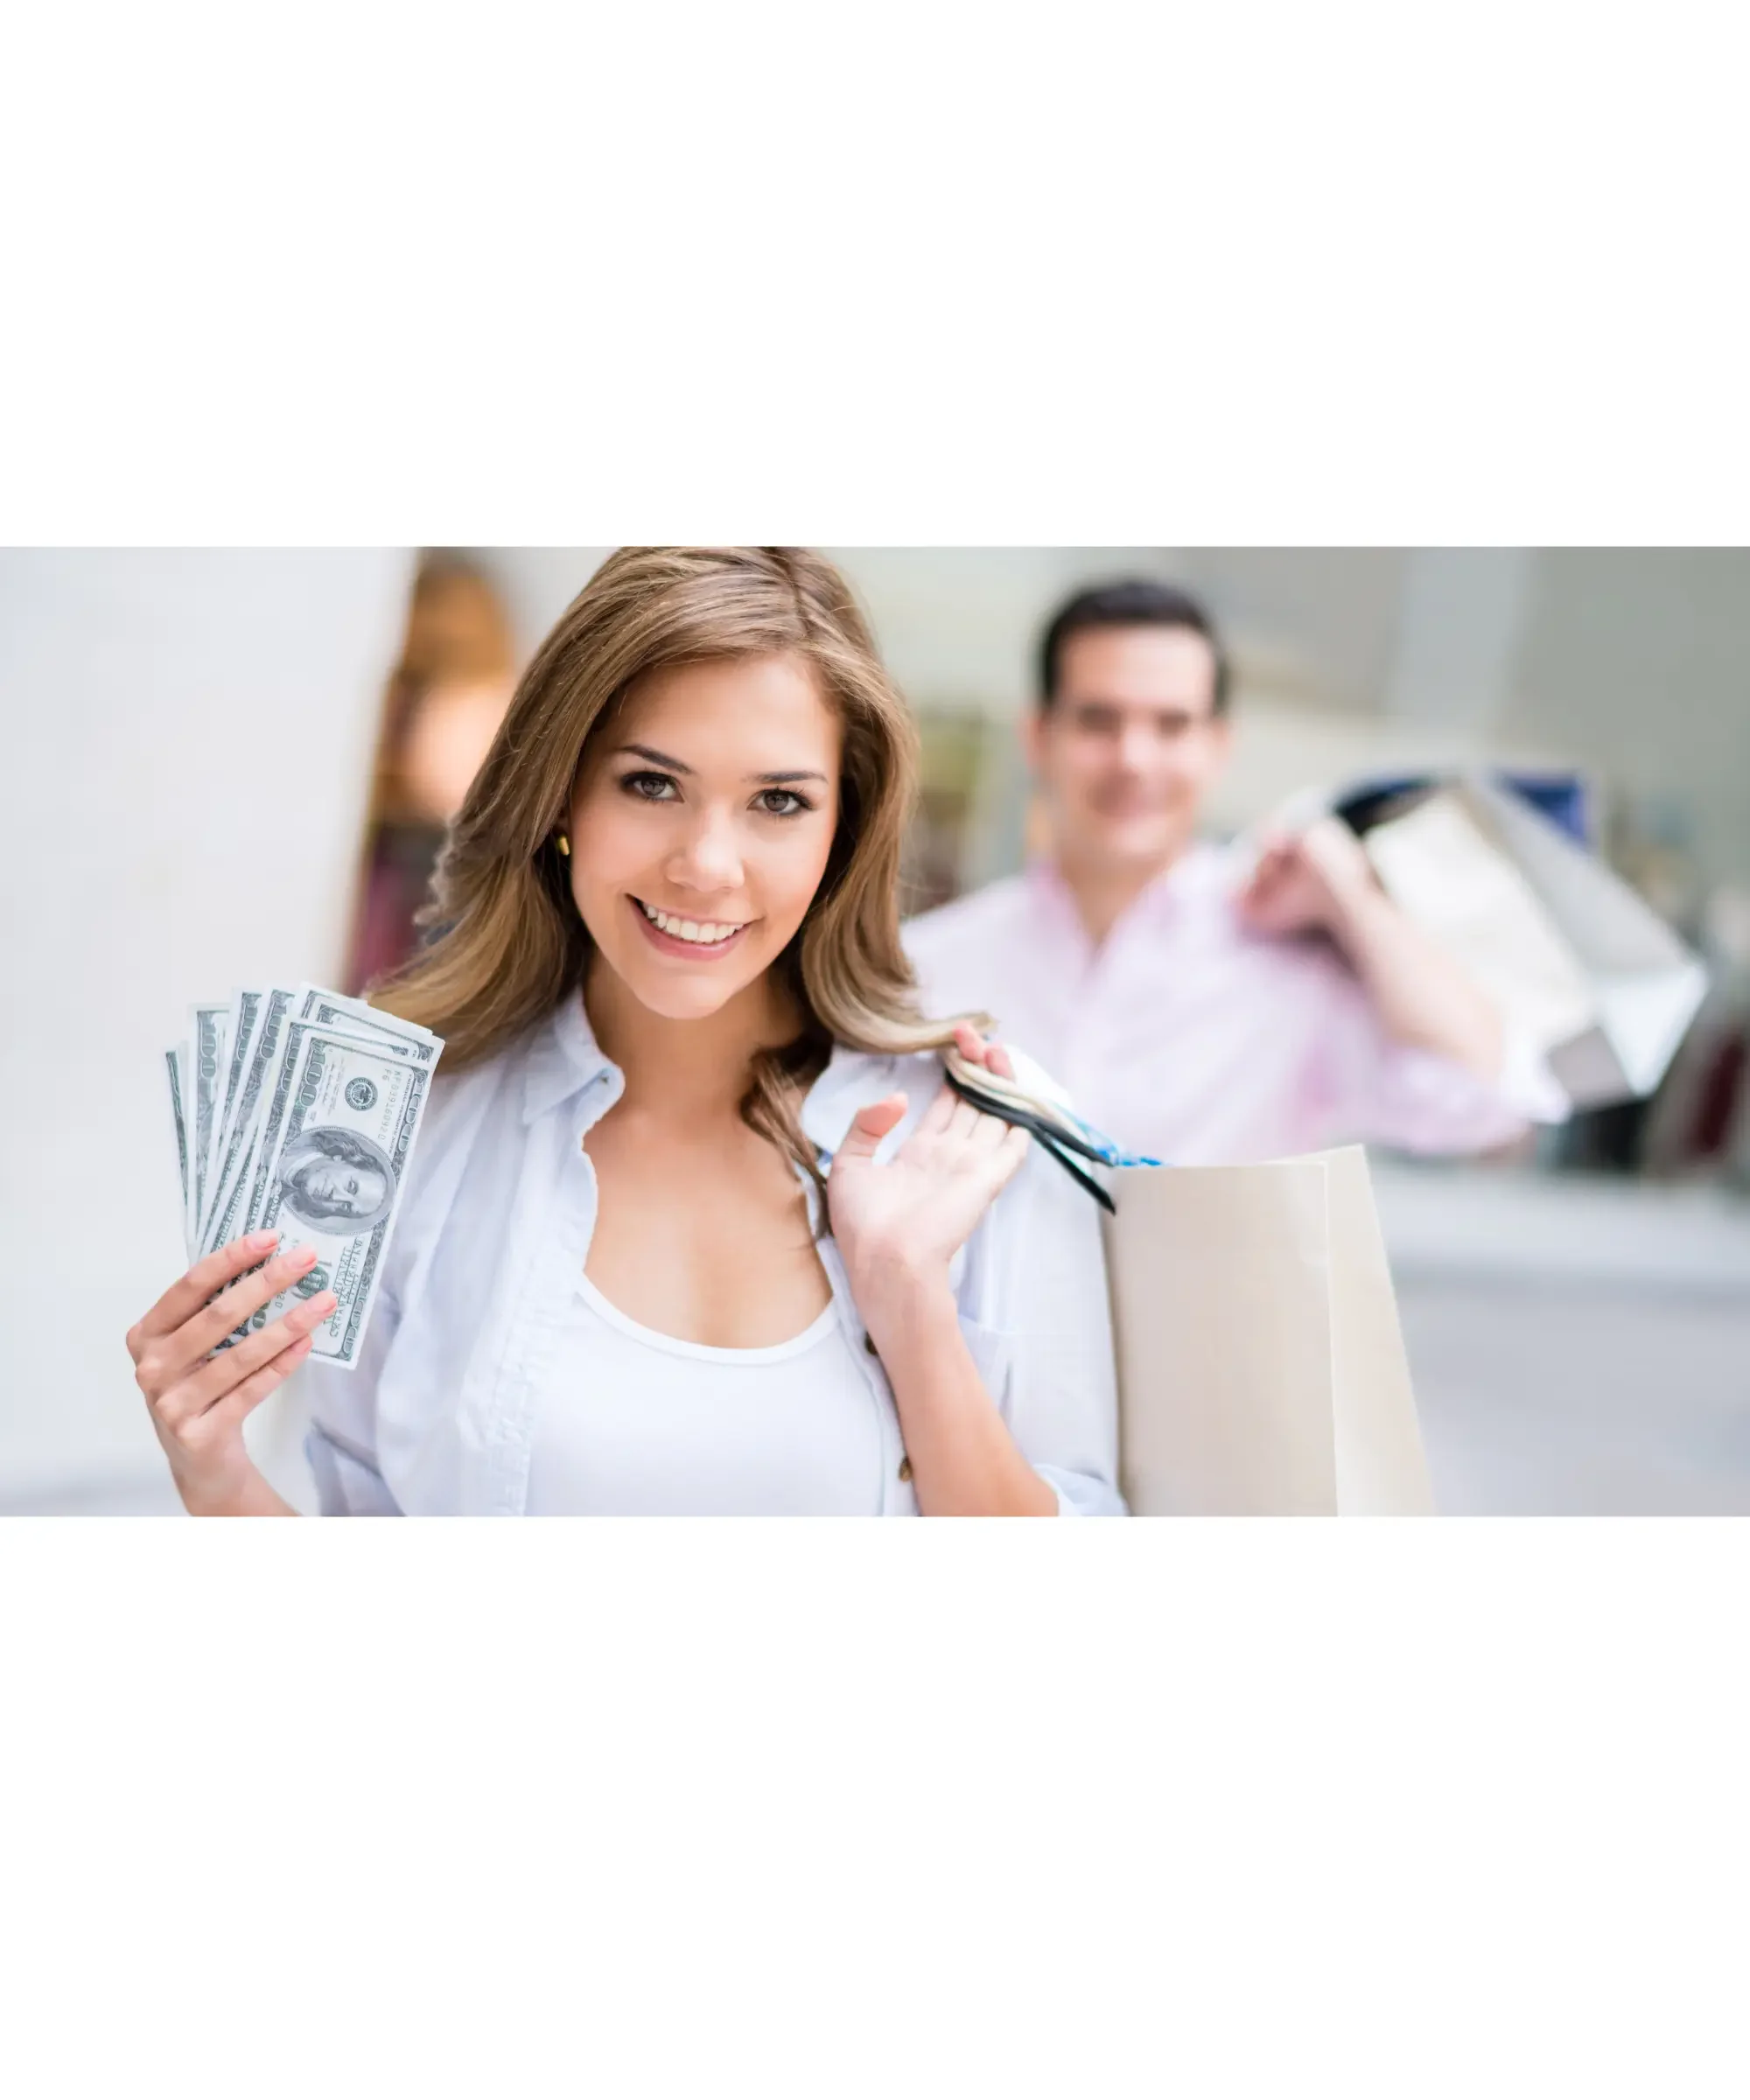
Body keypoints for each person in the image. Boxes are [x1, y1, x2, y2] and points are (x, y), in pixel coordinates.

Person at [124, 548, 1123, 1518]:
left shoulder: (979, 1141)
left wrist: (910, 1302)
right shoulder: (403, 1134)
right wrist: (220, 1482)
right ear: (562, 791)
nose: (708, 866)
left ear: (843, 829)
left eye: (778, 801)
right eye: (651, 784)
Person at [904, 578, 1568, 1166]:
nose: (1134, 758)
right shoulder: (928, 966)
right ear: (1038, 737)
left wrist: (1353, 897)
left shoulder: (1296, 967)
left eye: (1171, 725)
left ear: (1218, 746)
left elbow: (1488, 1101)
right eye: (1099, 721)